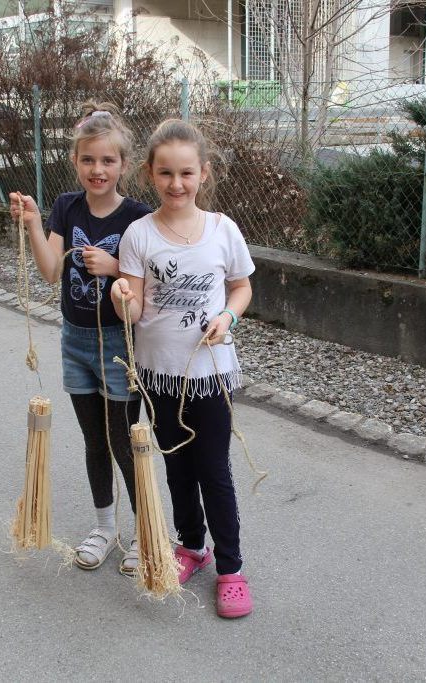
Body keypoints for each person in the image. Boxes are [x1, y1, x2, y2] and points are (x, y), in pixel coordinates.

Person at [111, 119, 255, 618]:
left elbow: (242, 287)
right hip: (160, 375)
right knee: (177, 467)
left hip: (211, 376)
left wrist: (228, 316)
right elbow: (134, 309)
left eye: (186, 173)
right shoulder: (138, 235)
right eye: (166, 173)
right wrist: (121, 296)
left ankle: (231, 568)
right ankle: (192, 546)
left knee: (213, 470)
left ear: (204, 173)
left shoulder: (222, 230)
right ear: (150, 174)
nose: (177, 183)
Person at [9, 102, 152, 576]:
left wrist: (115, 267)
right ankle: (105, 527)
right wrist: (34, 223)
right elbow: (51, 271)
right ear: (75, 161)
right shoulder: (66, 207)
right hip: (75, 340)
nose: (98, 169)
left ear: (124, 165)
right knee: (94, 441)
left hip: (119, 342)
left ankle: (145, 530)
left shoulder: (137, 218)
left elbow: (150, 281)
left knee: (123, 440)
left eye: (108, 160)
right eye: (88, 159)